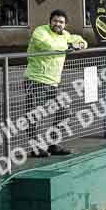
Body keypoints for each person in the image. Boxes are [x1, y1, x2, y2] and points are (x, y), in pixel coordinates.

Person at [24, 10, 87, 157]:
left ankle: (53, 144)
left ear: (65, 24)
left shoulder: (65, 35)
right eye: (55, 21)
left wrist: (81, 44)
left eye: (61, 22)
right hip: (35, 80)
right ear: (50, 20)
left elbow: (80, 39)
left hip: (53, 82)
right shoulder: (40, 31)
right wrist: (69, 46)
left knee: (64, 112)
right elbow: (49, 46)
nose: (58, 24)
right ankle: (35, 148)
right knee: (34, 116)